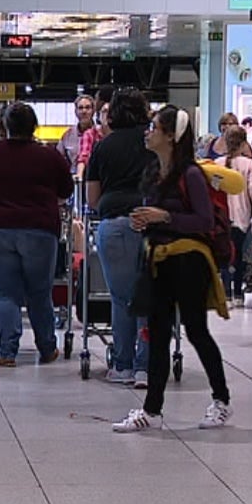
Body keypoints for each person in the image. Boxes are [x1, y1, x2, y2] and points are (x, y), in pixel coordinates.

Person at [111, 105, 232, 433]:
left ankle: (221, 400)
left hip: (189, 261)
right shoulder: (152, 172)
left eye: (154, 127)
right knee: (158, 333)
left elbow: (204, 221)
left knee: (196, 330)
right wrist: (144, 222)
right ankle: (152, 410)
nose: (148, 132)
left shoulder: (191, 175)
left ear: (171, 136)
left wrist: (164, 218)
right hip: (157, 260)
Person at [0, 102, 74, 367]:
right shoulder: (48, 156)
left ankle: (7, 352)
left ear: (5, 126)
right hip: (38, 228)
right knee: (40, 292)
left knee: (6, 293)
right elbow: (66, 189)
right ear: (34, 127)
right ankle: (47, 348)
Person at [86, 87, 152, 386]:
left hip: (114, 224)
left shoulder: (104, 146)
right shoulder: (157, 142)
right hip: (154, 223)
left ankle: (123, 365)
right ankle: (147, 366)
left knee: (122, 299)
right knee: (151, 297)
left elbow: (92, 199)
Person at [215, 125, 252, 307]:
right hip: (242, 216)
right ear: (243, 144)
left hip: (222, 216)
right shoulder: (248, 164)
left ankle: (226, 293)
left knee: (226, 254)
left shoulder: (217, 164)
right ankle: (239, 293)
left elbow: (214, 189)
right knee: (239, 256)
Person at [74, 85, 115, 178]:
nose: (84, 111)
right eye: (104, 112)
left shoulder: (120, 135)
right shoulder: (90, 134)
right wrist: (79, 175)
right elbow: (83, 157)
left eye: (87, 107)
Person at [58, 95, 96, 170]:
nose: (84, 111)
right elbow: (58, 159)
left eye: (87, 108)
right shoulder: (67, 135)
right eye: (80, 108)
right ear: (76, 112)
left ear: (93, 111)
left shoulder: (100, 133)